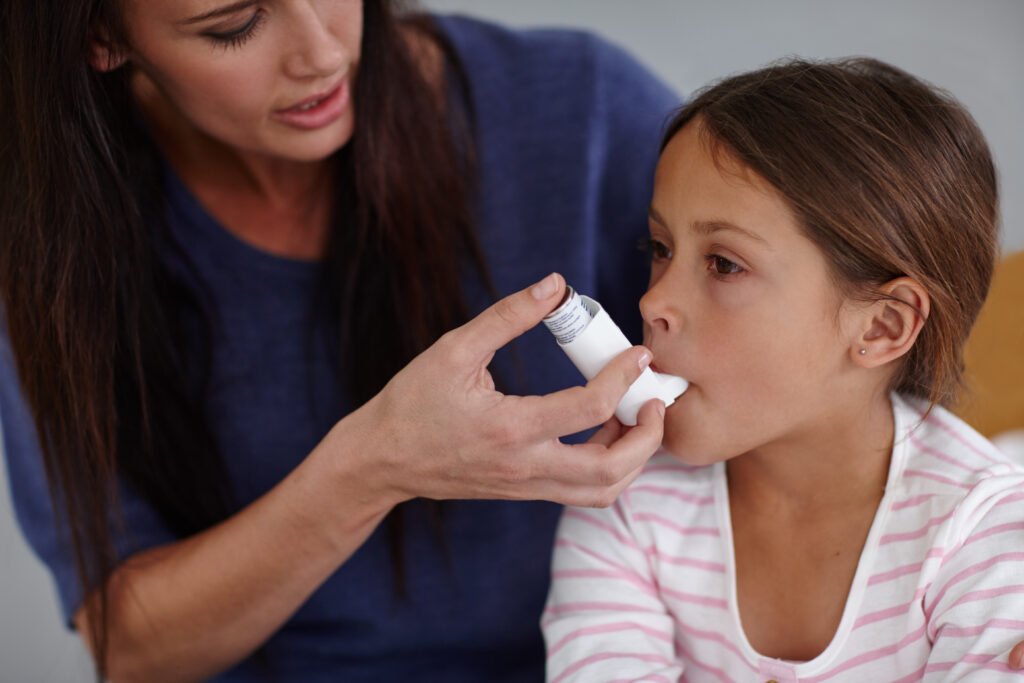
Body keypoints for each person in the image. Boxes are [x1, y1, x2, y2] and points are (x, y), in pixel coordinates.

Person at [0, 2, 674, 681]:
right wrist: (370, 468)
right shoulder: (51, 250)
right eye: (233, 25)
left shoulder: (584, 108)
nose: (322, 54)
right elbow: (133, 647)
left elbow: (777, 375)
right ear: (102, 34)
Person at [543, 58, 1024, 681]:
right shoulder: (624, 499)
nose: (651, 301)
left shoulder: (982, 536)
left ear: (880, 326)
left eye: (723, 264)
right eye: (660, 250)